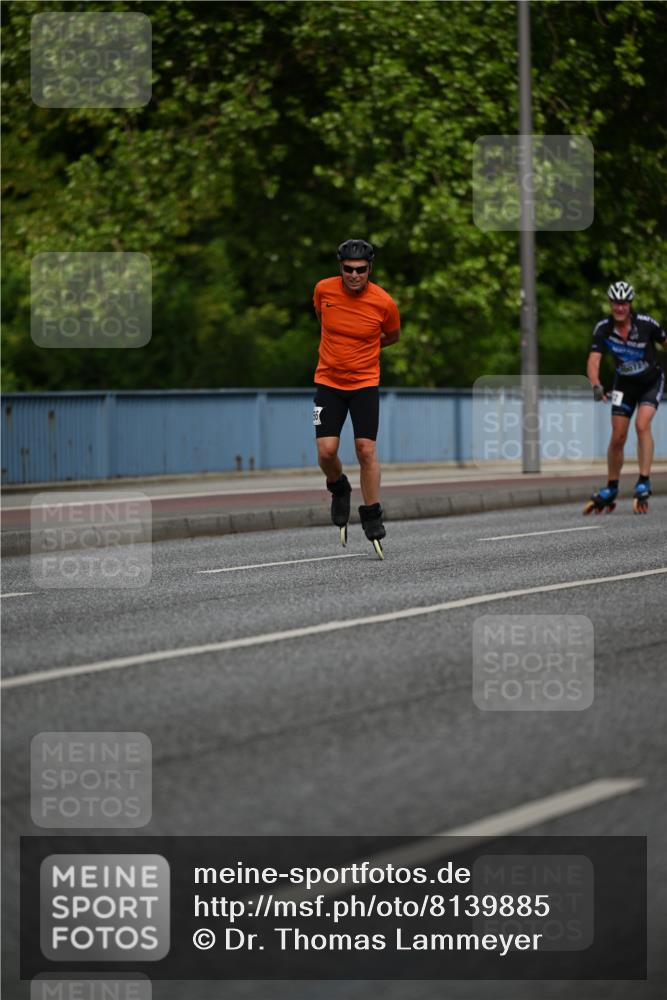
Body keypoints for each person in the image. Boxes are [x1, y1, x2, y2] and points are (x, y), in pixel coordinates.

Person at [312, 239, 400, 553]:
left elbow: (392, 336)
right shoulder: (324, 290)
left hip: (364, 384)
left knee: (365, 450)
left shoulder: (384, 303)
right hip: (328, 382)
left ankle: (372, 515)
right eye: (348, 269)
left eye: (361, 270)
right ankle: (339, 487)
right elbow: (324, 323)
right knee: (326, 451)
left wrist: (363, 353)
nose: (354, 275)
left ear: (370, 269)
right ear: (340, 268)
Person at [585, 280, 666, 513]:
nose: (619, 308)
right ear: (610, 304)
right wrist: (596, 385)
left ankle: (643, 480)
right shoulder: (603, 329)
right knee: (618, 436)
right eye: (615, 303)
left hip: (651, 382)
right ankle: (611, 486)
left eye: (623, 303)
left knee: (642, 425)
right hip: (624, 385)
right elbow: (594, 360)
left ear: (630, 304)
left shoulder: (647, 324)